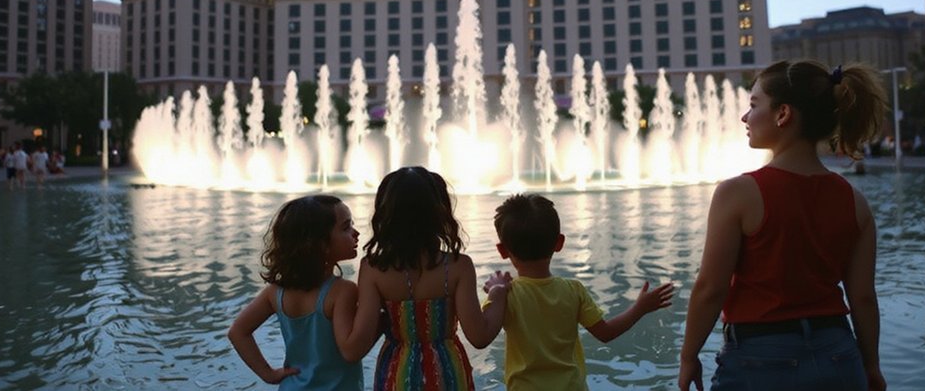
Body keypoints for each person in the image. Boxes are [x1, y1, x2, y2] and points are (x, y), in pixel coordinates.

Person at [679, 60, 888, 391]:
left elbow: (711, 288)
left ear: (783, 114)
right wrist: (871, 364)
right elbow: (862, 296)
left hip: (759, 359)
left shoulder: (738, 193)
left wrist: (688, 356)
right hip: (839, 356)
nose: (745, 117)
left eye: (753, 105)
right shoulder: (855, 202)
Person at [345, 166, 512, 390]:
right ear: (440, 213)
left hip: (396, 374)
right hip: (448, 373)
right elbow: (479, 336)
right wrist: (498, 294)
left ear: (385, 214)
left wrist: (392, 322)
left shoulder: (373, 269)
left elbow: (357, 347)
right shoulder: (458, 266)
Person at [487, 193, 675, 390]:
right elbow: (606, 333)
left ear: (502, 251)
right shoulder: (574, 291)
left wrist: (495, 292)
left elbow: (482, 334)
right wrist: (640, 308)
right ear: (559, 243)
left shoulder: (506, 295)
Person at [228, 195, 365, 390]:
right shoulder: (342, 291)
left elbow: (238, 332)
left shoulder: (275, 292)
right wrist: (383, 321)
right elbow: (351, 349)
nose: (356, 233)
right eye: (346, 227)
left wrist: (268, 374)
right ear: (320, 244)